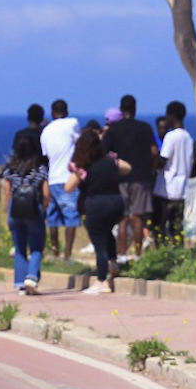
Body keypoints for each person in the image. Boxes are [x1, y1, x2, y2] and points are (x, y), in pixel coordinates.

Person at [67, 124, 130, 294]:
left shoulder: (84, 167)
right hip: (116, 203)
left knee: (99, 242)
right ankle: (113, 263)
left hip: (96, 205)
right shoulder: (110, 162)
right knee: (107, 232)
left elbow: (68, 187)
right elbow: (127, 168)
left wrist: (79, 172)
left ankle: (101, 280)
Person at [103, 95, 157, 258]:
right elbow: (154, 152)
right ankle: (138, 254)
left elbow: (105, 154)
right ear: (135, 108)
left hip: (120, 178)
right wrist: (151, 169)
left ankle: (122, 255)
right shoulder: (145, 128)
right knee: (138, 217)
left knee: (122, 218)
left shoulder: (113, 130)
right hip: (141, 177)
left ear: (121, 109)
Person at [3, 129, 50, 295]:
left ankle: (19, 282)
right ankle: (31, 277)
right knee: (37, 247)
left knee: (19, 248)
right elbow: (46, 194)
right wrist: (43, 209)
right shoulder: (40, 169)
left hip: (15, 210)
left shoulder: (10, 169)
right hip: (33, 209)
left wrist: (6, 213)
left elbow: (7, 193)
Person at [39, 100, 81, 259]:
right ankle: (68, 254)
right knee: (71, 215)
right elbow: (80, 141)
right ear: (67, 111)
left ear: (52, 112)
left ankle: (55, 251)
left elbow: (45, 154)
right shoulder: (72, 123)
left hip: (52, 178)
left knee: (53, 217)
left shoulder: (46, 131)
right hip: (68, 178)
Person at [153, 101, 195, 246]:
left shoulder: (171, 136)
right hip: (182, 189)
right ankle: (178, 252)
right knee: (177, 227)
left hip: (166, 189)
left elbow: (162, 161)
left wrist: (153, 158)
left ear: (172, 116)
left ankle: (162, 253)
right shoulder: (188, 138)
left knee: (160, 225)